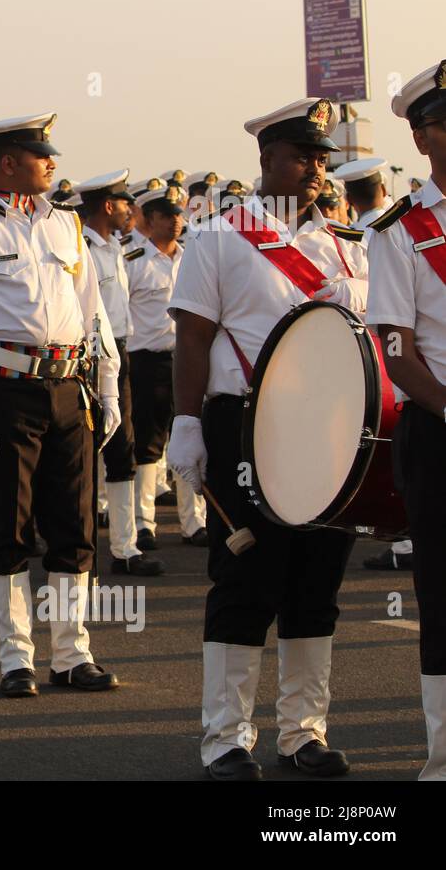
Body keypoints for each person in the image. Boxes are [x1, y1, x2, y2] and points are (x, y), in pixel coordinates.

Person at [168, 97, 365, 780]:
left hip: (329, 427)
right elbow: (192, 337)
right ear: (266, 159)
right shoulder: (218, 237)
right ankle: (225, 738)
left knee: (317, 583)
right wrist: (187, 423)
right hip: (247, 423)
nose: (314, 167)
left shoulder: (345, 242)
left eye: (321, 158)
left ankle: (303, 732)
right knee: (247, 577)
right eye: (302, 155)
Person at [0, 111, 122, 699]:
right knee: (12, 527)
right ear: (8, 162)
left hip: (68, 387)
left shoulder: (66, 226)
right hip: (4, 390)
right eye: (42, 154)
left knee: (75, 524)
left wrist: (108, 381)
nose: (52, 163)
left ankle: (71, 654)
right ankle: (16, 657)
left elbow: (91, 310)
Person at [365, 58, 446, 780]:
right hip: (439, 427)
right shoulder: (398, 231)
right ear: (424, 139)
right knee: (443, 597)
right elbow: (398, 353)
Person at [77, 169, 160, 574]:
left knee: (121, 448)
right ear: (108, 206)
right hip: (88, 358)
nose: (131, 210)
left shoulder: (117, 248)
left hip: (121, 355)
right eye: (126, 203)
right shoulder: (81, 250)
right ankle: (83, 543)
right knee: (83, 451)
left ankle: (125, 548)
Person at [126, 185, 206, 552]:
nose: (176, 221)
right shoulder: (134, 260)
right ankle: (144, 524)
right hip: (147, 361)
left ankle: (195, 523)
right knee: (148, 446)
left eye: (179, 215)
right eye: (167, 215)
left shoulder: (192, 257)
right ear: (150, 220)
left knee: (189, 438)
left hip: (185, 358)